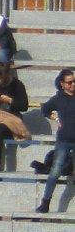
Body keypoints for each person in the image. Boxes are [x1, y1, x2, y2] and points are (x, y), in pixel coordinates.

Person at [38, 69, 75, 215]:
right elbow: (44, 109)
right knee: (55, 170)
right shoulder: (58, 98)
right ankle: (45, 202)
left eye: (74, 81)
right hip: (64, 141)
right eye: (69, 82)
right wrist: (55, 118)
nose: (73, 84)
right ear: (62, 84)